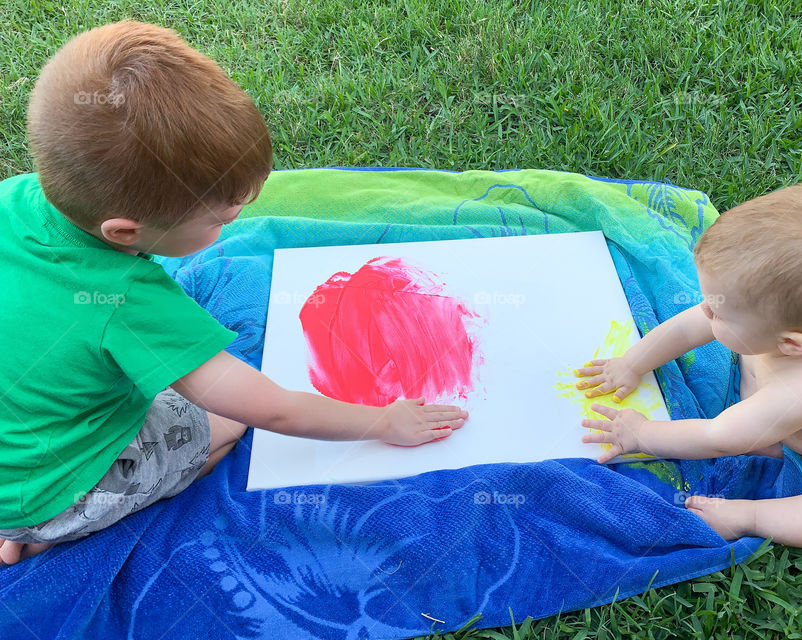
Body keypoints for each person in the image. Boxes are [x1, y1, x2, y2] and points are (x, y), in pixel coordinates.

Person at [0, 21, 467, 566]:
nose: (233, 225)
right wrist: (384, 422)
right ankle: (46, 533)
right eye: (222, 220)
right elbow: (275, 411)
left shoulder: (15, 198)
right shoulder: (124, 303)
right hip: (48, 489)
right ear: (123, 232)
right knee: (225, 426)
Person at [575, 184, 802, 548]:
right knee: (747, 371)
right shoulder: (766, 320)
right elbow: (694, 324)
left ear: (792, 344)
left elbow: (718, 438)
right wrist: (632, 362)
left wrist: (641, 435)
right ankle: (777, 436)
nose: (705, 309)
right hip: (799, 418)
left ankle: (750, 517)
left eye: (716, 309)